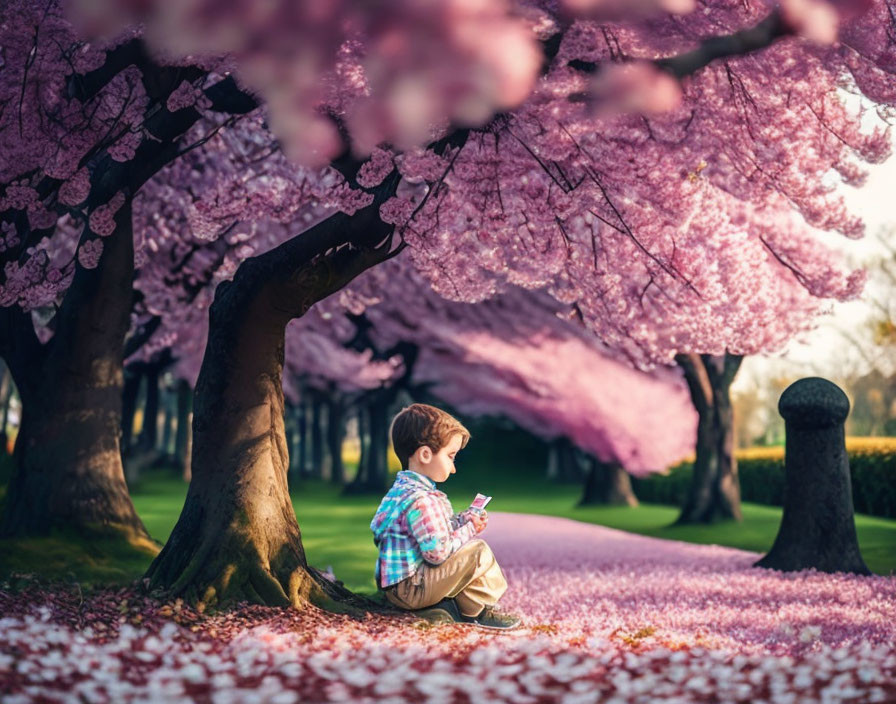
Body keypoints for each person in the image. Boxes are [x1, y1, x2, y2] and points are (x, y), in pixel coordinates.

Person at [369, 403, 522, 630]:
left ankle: (446, 608)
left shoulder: (401, 493)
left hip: (397, 587)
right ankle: (477, 611)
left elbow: (429, 533)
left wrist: (462, 520)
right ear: (425, 454)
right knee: (477, 553)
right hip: (411, 589)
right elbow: (437, 553)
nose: (453, 468)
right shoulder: (422, 501)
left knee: (465, 554)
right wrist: (470, 530)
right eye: (451, 456)